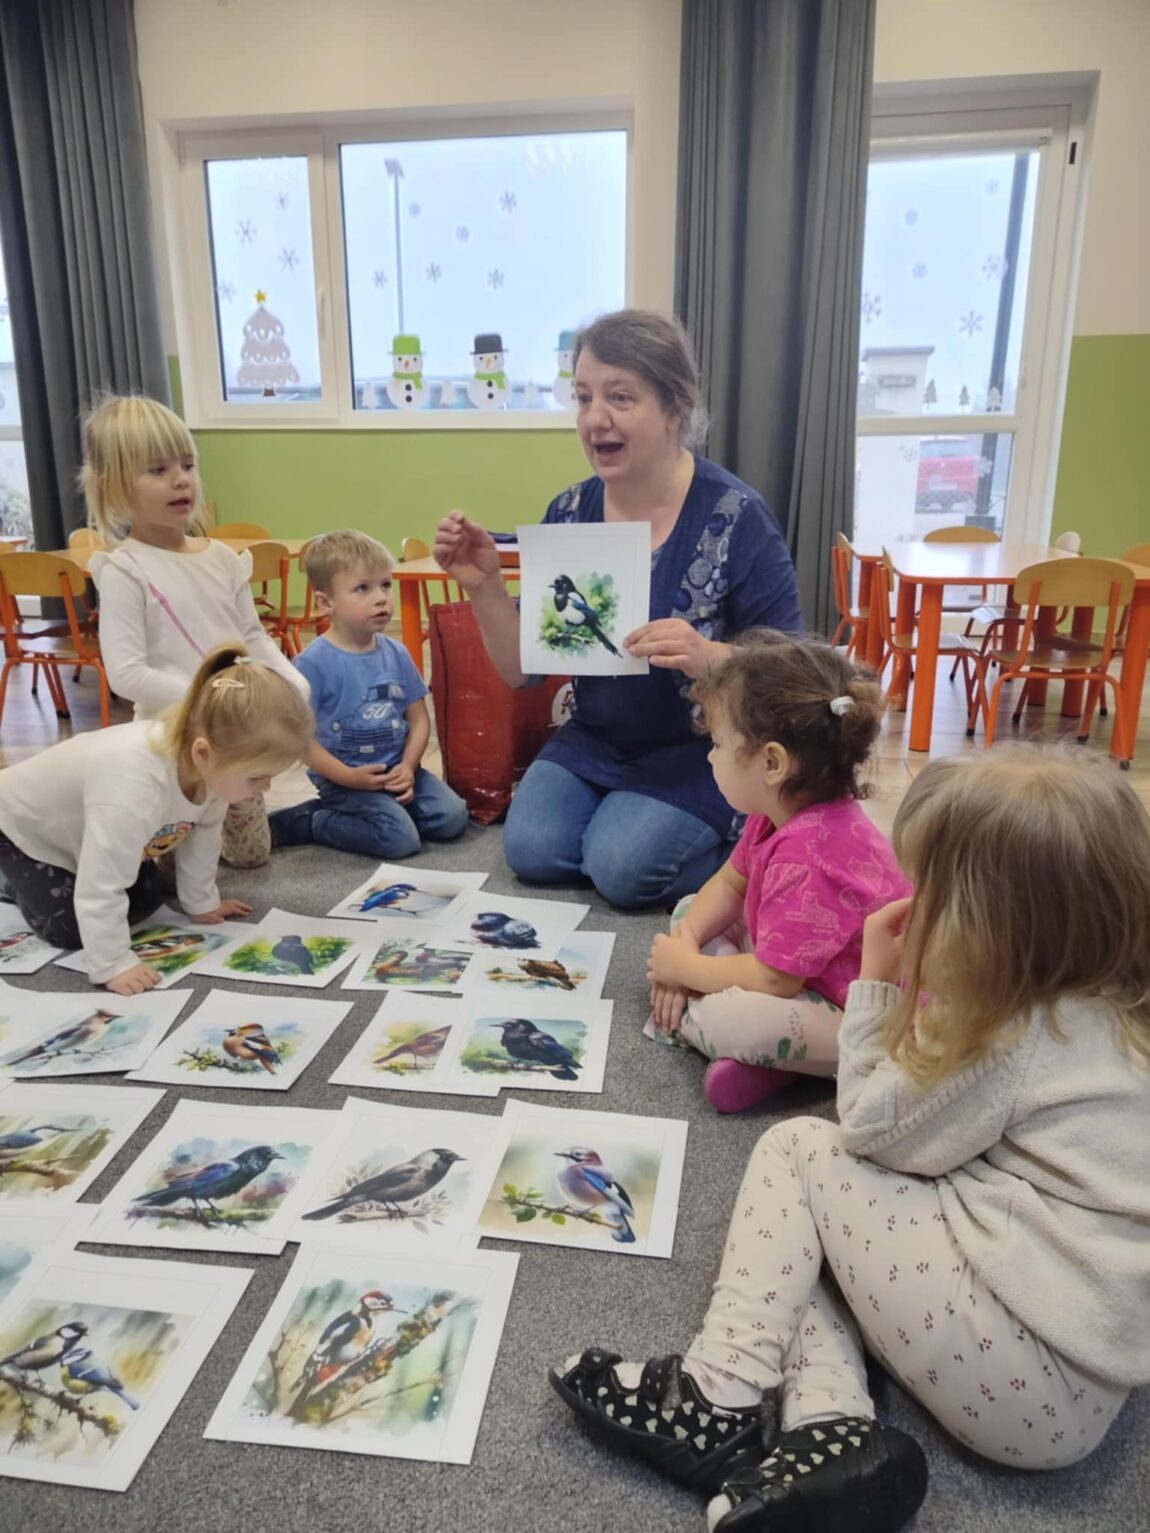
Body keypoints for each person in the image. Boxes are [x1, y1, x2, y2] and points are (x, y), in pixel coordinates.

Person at [550, 747, 1150, 1533]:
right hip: (1084, 1378)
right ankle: (829, 1423)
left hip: (1021, 1377)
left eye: (932, 892)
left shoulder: (1013, 1030)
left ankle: (714, 1396)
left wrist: (875, 986)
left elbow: (868, 1124)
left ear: (987, 927)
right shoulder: (1110, 1010)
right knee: (820, 1236)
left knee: (803, 1153)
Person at [433, 309, 802, 909]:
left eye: (621, 397)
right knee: (530, 851)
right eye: (583, 397)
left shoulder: (736, 516)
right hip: (595, 738)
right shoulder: (571, 511)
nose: (594, 418)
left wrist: (709, 656)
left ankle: (744, 845)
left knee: (623, 871)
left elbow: (794, 670)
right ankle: (624, 821)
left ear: (675, 411)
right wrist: (485, 589)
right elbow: (520, 671)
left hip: (702, 749)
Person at [646, 635, 911, 1113]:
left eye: (719, 744)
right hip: (801, 977)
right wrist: (686, 945)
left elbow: (775, 981)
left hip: (873, 1019)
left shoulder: (813, 853)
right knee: (690, 911)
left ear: (772, 763)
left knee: (732, 1018)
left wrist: (683, 971)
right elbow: (729, 883)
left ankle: (774, 1057)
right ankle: (776, 1063)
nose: (710, 756)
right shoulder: (775, 813)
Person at [0, 645, 312, 994]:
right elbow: (101, 881)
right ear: (203, 753)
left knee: (148, 896)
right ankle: (7, 879)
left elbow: (202, 836)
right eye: (257, 778)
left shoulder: (211, 769)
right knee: (71, 929)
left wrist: (201, 903)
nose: (264, 789)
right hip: (21, 828)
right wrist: (113, 963)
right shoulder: (132, 785)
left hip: (86, 833)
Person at [83, 394, 307, 869]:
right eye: (158, 469)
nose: (181, 478)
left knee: (250, 857)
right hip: (170, 743)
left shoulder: (223, 559)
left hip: (236, 741)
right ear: (115, 487)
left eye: (186, 464)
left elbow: (252, 634)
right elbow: (126, 673)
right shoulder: (124, 570)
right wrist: (207, 695)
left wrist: (290, 678)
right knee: (150, 870)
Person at [268, 530, 468, 858]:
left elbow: (418, 720)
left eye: (385, 585)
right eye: (363, 588)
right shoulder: (311, 665)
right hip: (344, 779)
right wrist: (347, 776)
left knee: (452, 818)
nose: (381, 598)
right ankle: (312, 820)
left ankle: (386, 814)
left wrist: (408, 765)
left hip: (397, 770)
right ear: (325, 602)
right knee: (400, 841)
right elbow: (299, 740)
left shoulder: (397, 653)